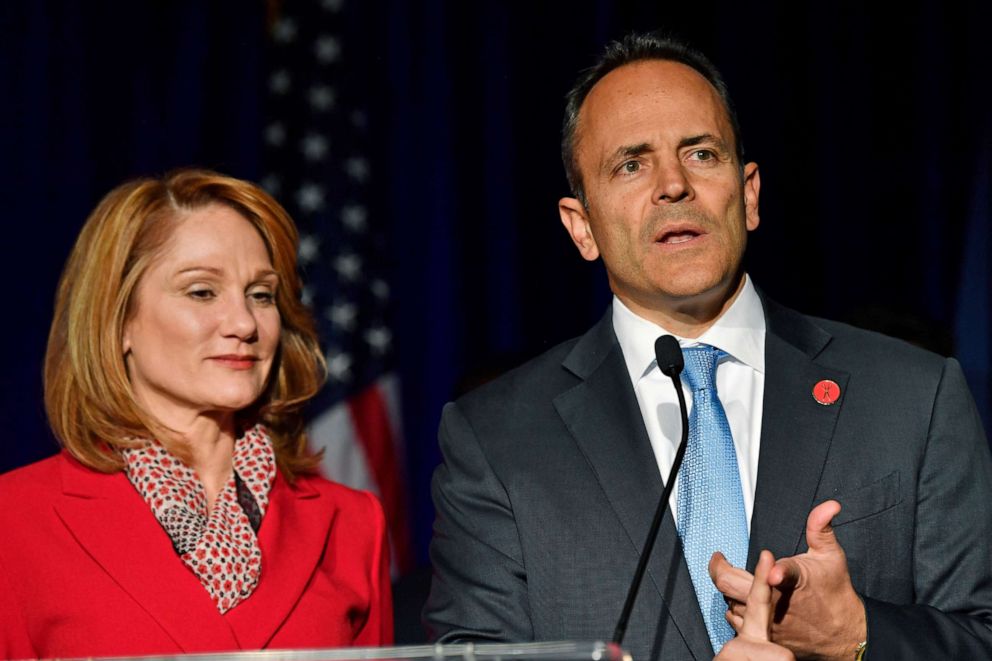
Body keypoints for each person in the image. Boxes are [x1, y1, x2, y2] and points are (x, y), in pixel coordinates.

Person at [424, 32, 992, 660]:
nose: (672, 185)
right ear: (581, 227)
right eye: (631, 165)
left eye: (700, 154)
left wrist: (856, 634)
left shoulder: (912, 395)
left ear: (748, 195)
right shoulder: (497, 437)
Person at [0, 169, 393, 657]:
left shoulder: (351, 522)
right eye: (202, 291)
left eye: (261, 295)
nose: (244, 323)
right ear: (118, 321)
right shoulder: (14, 522)